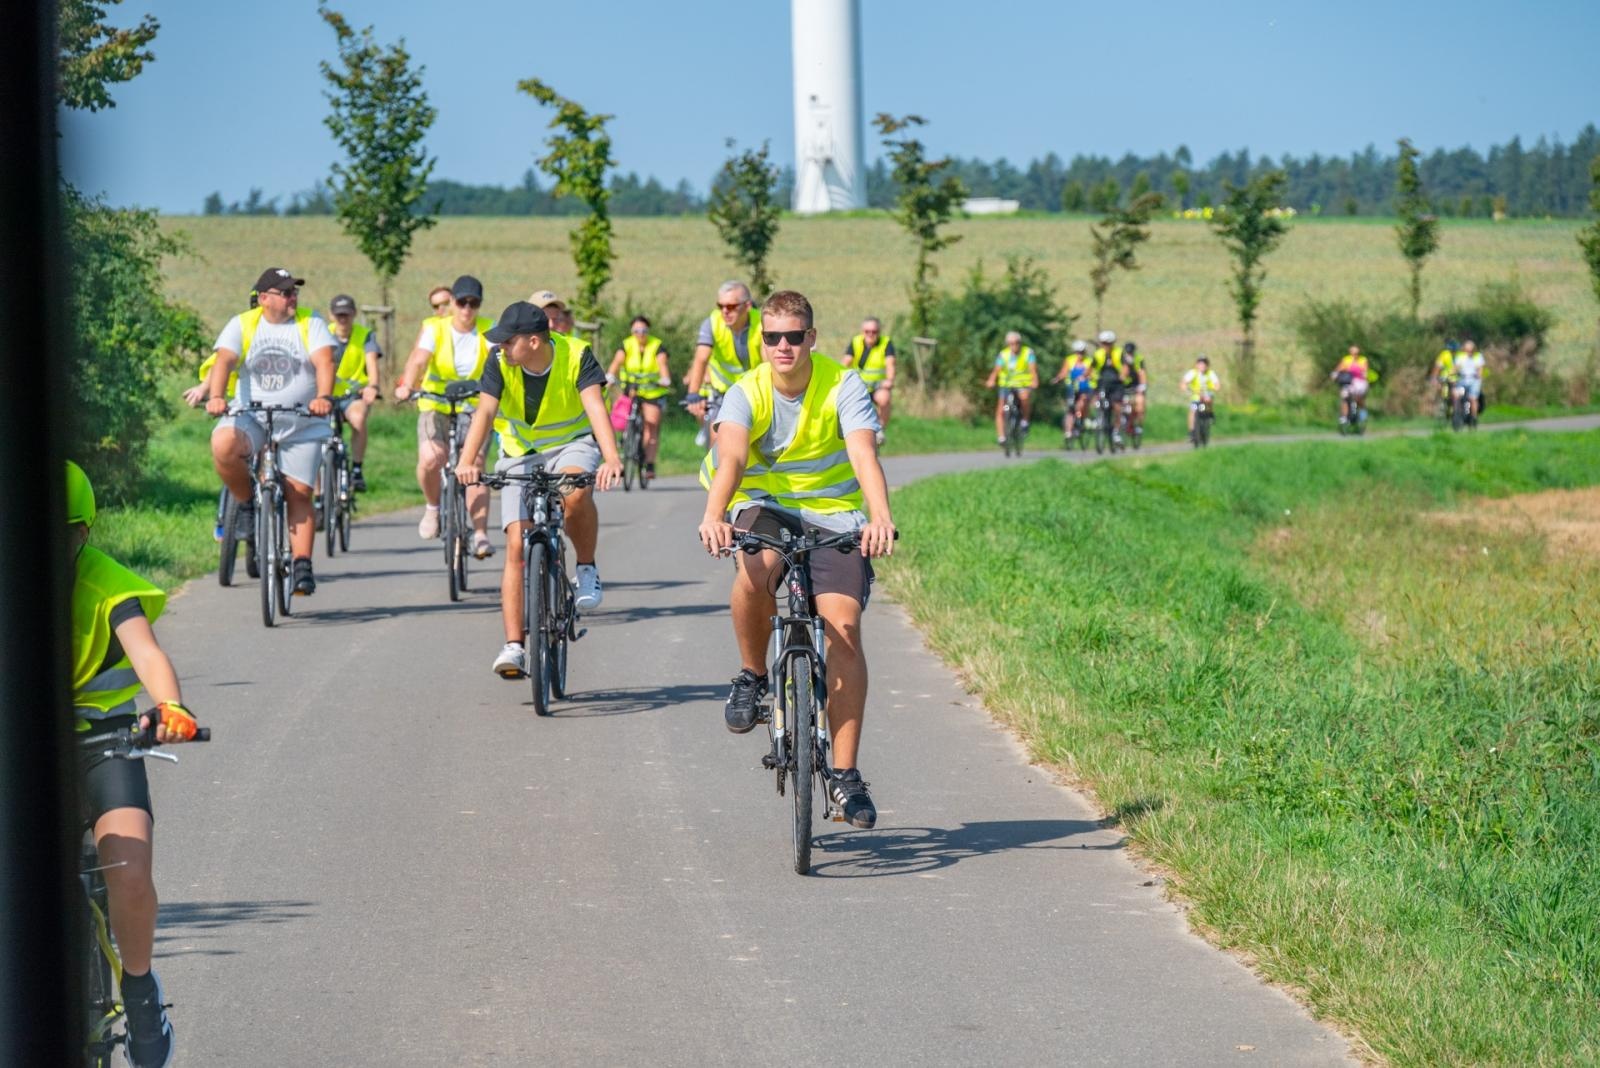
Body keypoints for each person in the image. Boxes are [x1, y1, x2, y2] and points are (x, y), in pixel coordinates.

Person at [697, 290, 897, 830]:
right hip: (764, 504)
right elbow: (731, 456)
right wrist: (714, 515)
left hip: (833, 513)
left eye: (793, 336)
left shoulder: (842, 384)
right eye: (771, 337)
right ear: (762, 340)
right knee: (756, 565)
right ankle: (752, 673)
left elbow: (863, 452)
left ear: (811, 337)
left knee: (844, 628)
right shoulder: (746, 390)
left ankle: (846, 777)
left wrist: (880, 517)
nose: (782, 346)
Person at [68, 460, 202, 1068]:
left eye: (65, 533)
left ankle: (142, 990)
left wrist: (170, 707)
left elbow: (146, 652)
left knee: (128, 869)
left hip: (105, 741)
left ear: (84, 532)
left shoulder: (107, 584)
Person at [453, 302, 623, 678]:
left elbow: (596, 407)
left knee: (575, 493)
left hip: (571, 444)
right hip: (520, 451)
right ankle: (514, 646)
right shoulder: (499, 362)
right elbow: (484, 412)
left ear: (533, 341)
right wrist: (468, 461)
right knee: (516, 544)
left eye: (507, 341)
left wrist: (611, 458)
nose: (500, 348)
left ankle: (586, 567)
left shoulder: (576, 355)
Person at [204, 267, 335, 595]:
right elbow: (224, 361)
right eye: (286, 292)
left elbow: (324, 362)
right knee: (223, 443)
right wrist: (217, 396)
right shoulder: (243, 324)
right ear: (264, 298)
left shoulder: (311, 322)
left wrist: (323, 397)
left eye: (295, 291)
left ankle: (302, 564)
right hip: (254, 417)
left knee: (299, 492)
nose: (293, 297)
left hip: (302, 420)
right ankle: (246, 504)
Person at [394, 275, 495, 557]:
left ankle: (480, 534)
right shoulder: (434, 328)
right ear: (452, 302)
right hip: (435, 404)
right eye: (462, 302)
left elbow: (499, 359)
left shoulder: (488, 329)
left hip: (474, 406)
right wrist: (407, 386)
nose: (467, 309)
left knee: (474, 465)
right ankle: (433, 508)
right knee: (431, 457)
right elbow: (419, 359)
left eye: (473, 303)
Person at [685, 281, 764, 448]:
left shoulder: (762, 322)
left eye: (731, 306)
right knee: (717, 440)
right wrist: (693, 394)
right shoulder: (712, 323)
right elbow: (701, 359)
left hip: (756, 392)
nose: (725, 311)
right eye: (720, 306)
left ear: (747, 306)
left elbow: (769, 362)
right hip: (723, 393)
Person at [605, 315, 673, 477]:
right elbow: (616, 362)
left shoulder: (657, 346)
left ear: (648, 331)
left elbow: (662, 364)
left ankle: (649, 464)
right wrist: (610, 376)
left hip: (652, 391)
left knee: (651, 424)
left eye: (643, 330)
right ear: (632, 331)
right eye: (636, 330)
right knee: (620, 417)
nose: (640, 334)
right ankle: (623, 443)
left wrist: (665, 379)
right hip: (631, 390)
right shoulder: (626, 345)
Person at [327, 294, 381, 491]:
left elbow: (372, 363)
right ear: (331, 316)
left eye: (346, 315)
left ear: (354, 314)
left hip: (353, 396)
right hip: (326, 396)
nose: (343, 319)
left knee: (358, 419)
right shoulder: (322, 333)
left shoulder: (365, 335)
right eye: (339, 315)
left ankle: (357, 469)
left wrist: (373, 387)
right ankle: (318, 494)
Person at [839, 317, 896, 445]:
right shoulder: (856, 342)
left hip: (877, 387)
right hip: (858, 386)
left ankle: (880, 430)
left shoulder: (886, 343)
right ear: (862, 332)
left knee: (885, 398)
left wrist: (890, 380)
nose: (870, 334)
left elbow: (890, 365)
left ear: (879, 332)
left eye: (874, 331)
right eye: (867, 331)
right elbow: (846, 362)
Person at [984, 331, 1038, 444]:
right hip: (1006, 384)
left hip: (1022, 384)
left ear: (1020, 343)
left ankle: (1024, 421)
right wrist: (991, 380)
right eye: (1011, 343)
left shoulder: (1028, 353)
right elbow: (997, 369)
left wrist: (1034, 380)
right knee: (1001, 409)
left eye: (1016, 343)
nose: (1014, 346)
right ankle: (1001, 437)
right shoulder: (1003, 354)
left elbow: (1032, 369)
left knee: (1024, 399)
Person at [1089, 330, 1131, 444]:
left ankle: (1116, 431)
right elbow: (1091, 368)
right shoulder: (1098, 354)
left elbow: (1125, 367)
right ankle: (1097, 419)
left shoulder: (1119, 352)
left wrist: (1123, 375)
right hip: (1102, 382)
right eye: (1104, 343)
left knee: (1117, 406)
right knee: (1096, 400)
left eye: (1108, 343)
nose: (1106, 346)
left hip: (1116, 383)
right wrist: (1089, 376)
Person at [1049, 339, 1092, 440]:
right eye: (1078, 352)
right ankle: (1068, 431)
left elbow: (1090, 372)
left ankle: (1083, 420)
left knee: (1082, 403)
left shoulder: (1089, 361)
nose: (1080, 354)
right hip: (1072, 388)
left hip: (1084, 387)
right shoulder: (1069, 360)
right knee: (1070, 409)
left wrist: (1085, 376)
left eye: (1082, 352)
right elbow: (1064, 372)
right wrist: (1058, 378)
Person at [1329, 345, 1377, 425]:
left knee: (1359, 398)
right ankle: (1344, 417)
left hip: (1360, 382)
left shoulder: (1363, 360)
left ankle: (1362, 411)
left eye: (1356, 353)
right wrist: (1335, 374)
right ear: (1350, 352)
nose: (1355, 355)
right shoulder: (1346, 359)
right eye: (1353, 353)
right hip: (1349, 382)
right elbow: (1339, 368)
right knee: (1345, 398)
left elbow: (1365, 369)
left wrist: (1364, 373)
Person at [1180, 354, 1221, 441]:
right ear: (1196, 365)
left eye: (1204, 363)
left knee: (1208, 401)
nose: (1202, 365)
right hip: (1196, 397)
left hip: (1207, 396)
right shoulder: (1192, 373)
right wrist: (1185, 388)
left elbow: (1217, 384)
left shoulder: (1210, 373)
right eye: (1200, 363)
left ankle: (1210, 414)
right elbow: (1184, 382)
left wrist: (1216, 388)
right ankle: (1192, 432)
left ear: (1207, 365)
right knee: (1193, 410)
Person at [1122, 340, 1150, 443]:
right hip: (1123, 386)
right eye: (1128, 352)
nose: (1129, 354)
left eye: (1131, 352)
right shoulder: (1121, 359)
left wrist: (1143, 386)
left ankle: (1138, 425)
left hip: (1136, 386)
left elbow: (1142, 373)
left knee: (1140, 404)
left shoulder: (1138, 359)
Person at [1453, 338, 1486, 418]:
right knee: (1456, 395)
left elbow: (1480, 369)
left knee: (1472, 398)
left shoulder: (1477, 356)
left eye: (1469, 349)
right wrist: (1453, 373)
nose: (1467, 351)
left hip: (1474, 380)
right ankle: (1457, 414)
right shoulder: (1460, 356)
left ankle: (1473, 417)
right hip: (1462, 380)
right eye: (1466, 349)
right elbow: (1456, 367)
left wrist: (1479, 374)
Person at [1431, 339, 1459, 418]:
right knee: (1444, 393)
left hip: (1458, 379)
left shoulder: (1460, 355)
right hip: (1446, 378)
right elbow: (1437, 366)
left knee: (1456, 394)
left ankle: (1456, 410)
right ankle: (1444, 409)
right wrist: (1434, 378)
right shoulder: (1445, 354)